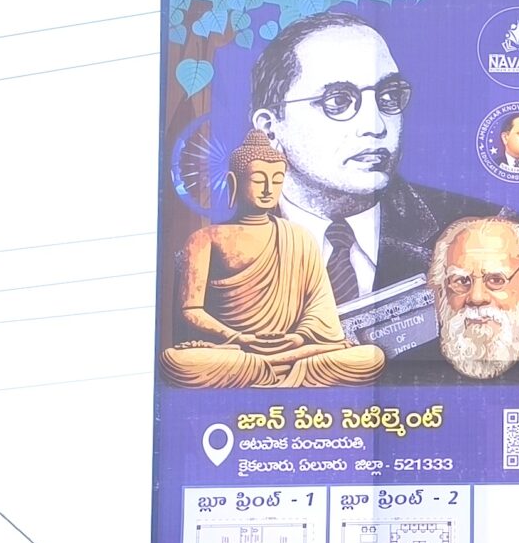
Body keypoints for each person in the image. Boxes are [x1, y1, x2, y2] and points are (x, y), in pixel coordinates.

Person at [248, 12, 519, 310]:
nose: (375, 125)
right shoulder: (218, 252)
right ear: (270, 128)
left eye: (388, 96)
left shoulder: (489, 233)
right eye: (338, 101)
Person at [159, 130, 386, 388]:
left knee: (370, 357)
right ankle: (279, 370)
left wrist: (298, 338)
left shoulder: (299, 237)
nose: (269, 189)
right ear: (234, 182)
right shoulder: (205, 239)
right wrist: (237, 337)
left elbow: (319, 309)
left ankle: (273, 368)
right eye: (258, 179)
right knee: (176, 360)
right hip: (235, 350)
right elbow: (191, 310)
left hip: (292, 350)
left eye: (277, 180)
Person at [420, 215, 519, 383]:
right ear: (441, 292)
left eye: (496, 280)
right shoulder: (405, 373)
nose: (477, 297)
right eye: (462, 281)